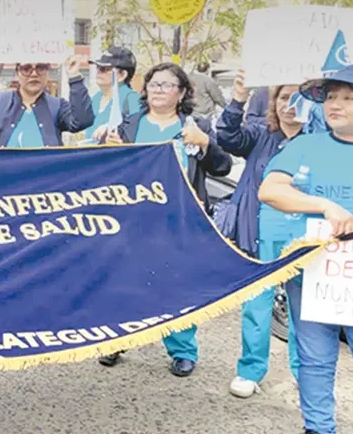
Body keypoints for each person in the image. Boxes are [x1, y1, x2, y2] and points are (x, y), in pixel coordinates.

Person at [100, 63, 233, 376]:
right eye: (154, 84)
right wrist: (108, 150)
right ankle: (117, 340)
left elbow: (222, 167)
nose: (159, 90)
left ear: (182, 92)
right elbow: (108, 174)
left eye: (167, 85)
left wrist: (205, 143)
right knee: (125, 281)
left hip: (181, 220)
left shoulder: (196, 125)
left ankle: (182, 350)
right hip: (133, 220)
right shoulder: (128, 125)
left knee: (179, 284)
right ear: (145, 90)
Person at [259, 64, 353, 434]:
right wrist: (322, 203)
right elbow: (270, 189)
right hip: (315, 271)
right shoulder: (306, 146)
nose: (336, 104)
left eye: (348, 98)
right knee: (314, 356)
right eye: (332, 96)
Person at [217, 71, 306, 399]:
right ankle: (250, 370)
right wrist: (238, 97)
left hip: (305, 238)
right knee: (257, 304)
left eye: (298, 97)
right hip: (260, 233)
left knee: (302, 309)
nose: (290, 105)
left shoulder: (319, 140)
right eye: (284, 98)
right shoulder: (261, 134)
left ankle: (304, 371)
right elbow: (227, 137)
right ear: (274, 103)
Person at [0, 51, 93, 148]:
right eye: (26, 68)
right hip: (4, 183)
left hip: (46, 183)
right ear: (17, 73)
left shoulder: (57, 105)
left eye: (41, 68)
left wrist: (75, 78)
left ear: (48, 72)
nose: (34, 74)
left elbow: (82, 121)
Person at [85, 47, 142, 141]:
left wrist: (113, 128)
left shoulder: (132, 98)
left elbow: (137, 126)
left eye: (104, 69)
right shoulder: (96, 97)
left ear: (122, 75)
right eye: (97, 67)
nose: (98, 72)